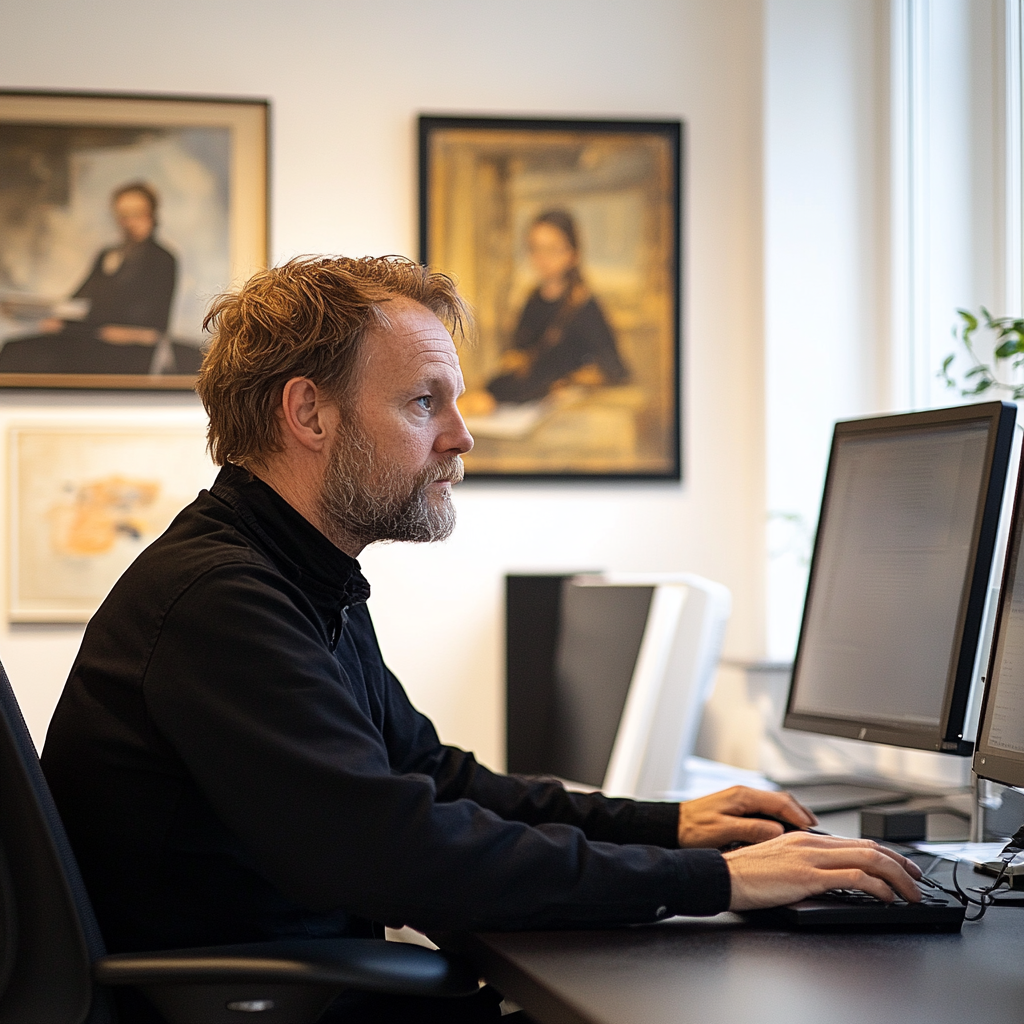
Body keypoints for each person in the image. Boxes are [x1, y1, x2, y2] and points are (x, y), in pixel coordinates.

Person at [41, 256, 922, 1023]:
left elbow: (432, 778)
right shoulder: (221, 599)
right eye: (425, 403)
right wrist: (723, 883)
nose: (461, 439)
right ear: (309, 413)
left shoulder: (296, 573)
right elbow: (400, 850)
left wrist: (675, 827)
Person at [0, 181, 177, 374]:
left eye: (135, 213)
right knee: (17, 351)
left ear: (150, 214)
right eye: (122, 215)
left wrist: (93, 325)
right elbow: (82, 298)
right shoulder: (108, 255)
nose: (128, 221)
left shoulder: (163, 259)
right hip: (92, 337)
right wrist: (56, 316)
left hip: (126, 350)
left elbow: (149, 319)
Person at [477, 210, 628, 411]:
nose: (542, 258)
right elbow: (520, 353)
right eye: (535, 249)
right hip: (525, 400)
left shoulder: (584, 305)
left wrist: (572, 384)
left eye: (551, 249)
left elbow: (613, 368)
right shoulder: (532, 301)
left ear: (572, 253)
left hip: (565, 409)